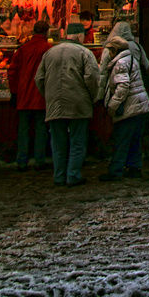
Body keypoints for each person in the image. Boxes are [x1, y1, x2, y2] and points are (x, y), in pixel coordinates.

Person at [34, 21, 100, 187]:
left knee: (58, 143)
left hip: (55, 103)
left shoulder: (50, 53)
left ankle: (59, 176)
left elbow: (38, 79)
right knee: (77, 141)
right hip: (78, 102)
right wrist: (92, 98)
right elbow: (92, 78)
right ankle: (73, 175)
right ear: (79, 35)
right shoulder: (84, 52)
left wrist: (49, 95)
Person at [99, 33, 149, 181]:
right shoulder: (130, 59)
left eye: (110, 50)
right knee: (134, 138)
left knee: (121, 139)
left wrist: (112, 106)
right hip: (139, 105)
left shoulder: (120, 63)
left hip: (131, 106)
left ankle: (115, 170)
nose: (108, 53)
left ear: (115, 50)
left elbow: (123, 87)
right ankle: (134, 167)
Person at [7, 19, 51, 172]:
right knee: (40, 129)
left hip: (23, 95)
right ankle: (39, 161)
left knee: (23, 130)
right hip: (41, 95)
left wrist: (14, 92)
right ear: (46, 32)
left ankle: (22, 161)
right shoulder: (48, 48)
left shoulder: (23, 49)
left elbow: (12, 72)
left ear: (34, 31)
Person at [97, 20, 149, 101]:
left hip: (116, 89)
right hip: (136, 88)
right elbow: (146, 65)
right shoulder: (136, 46)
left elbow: (103, 72)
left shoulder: (110, 48)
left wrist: (100, 95)